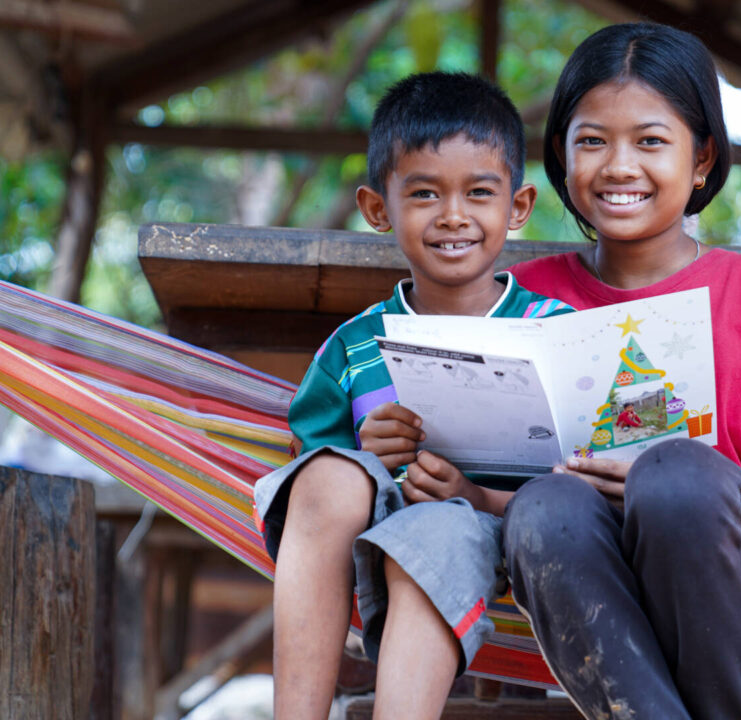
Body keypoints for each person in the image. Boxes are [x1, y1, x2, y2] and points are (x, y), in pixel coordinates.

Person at [501, 23, 741, 720]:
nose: (619, 166)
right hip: (577, 571)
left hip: (733, 574)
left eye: (651, 141)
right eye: (592, 140)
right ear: (562, 157)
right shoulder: (518, 297)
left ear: (702, 161)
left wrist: (656, 482)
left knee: (674, 474)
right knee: (545, 504)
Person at [253, 71, 574, 720]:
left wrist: (476, 496)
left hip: (514, 532)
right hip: (379, 530)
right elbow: (309, 466)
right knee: (331, 478)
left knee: (437, 530)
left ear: (516, 209)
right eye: (424, 193)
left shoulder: (558, 334)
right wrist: (360, 453)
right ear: (379, 209)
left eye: (479, 193)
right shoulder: (353, 346)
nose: (453, 215)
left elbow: (592, 480)